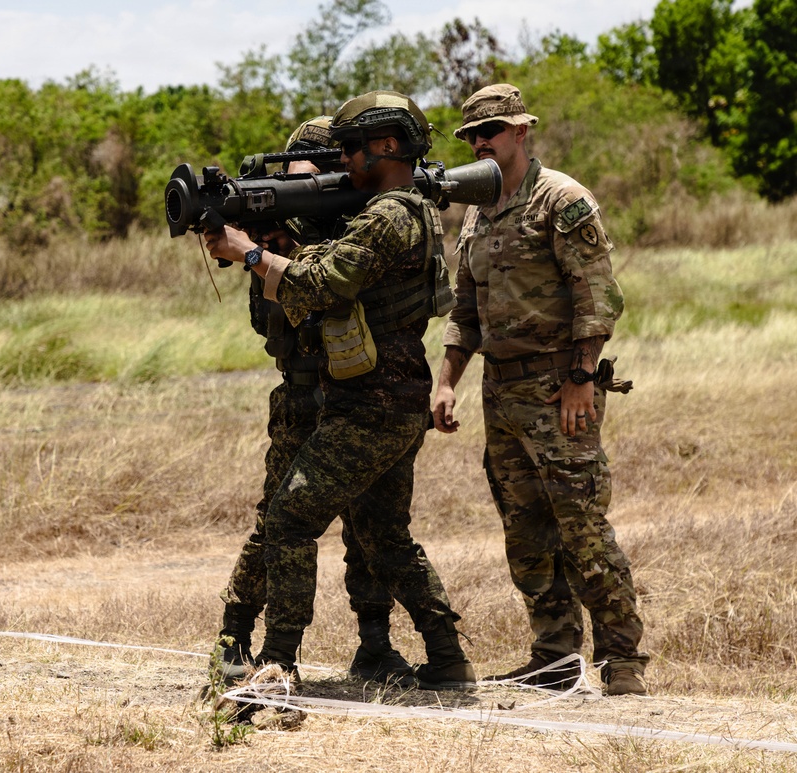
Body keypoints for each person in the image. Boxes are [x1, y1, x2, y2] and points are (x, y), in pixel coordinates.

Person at [206, 91, 475, 690]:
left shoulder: (388, 215)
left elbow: (325, 283)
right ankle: (446, 656)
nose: (344, 160)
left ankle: (276, 663)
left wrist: (252, 252)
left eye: (350, 149)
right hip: (375, 398)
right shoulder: (393, 211)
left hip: (370, 403)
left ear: (388, 146)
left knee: (290, 519)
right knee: (382, 535)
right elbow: (283, 312)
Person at [431, 83, 649, 696]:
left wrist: (581, 377)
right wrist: (446, 384)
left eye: (491, 132)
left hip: (558, 388)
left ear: (520, 131)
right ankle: (554, 658)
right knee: (525, 533)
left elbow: (597, 297)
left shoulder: (562, 199)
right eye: (472, 136)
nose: (480, 144)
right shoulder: (476, 212)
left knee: (581, 527)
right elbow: (465, 309)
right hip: (500, 392)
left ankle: (622, 663)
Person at [215, 116, 413, 685]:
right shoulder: (279, 229)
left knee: (370, 527)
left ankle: (376, 644)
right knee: (277, 521)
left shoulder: (369, 223)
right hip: (303, 393)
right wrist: (273, 253)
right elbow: (267, 319)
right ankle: (235, 637)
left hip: (362, 395)